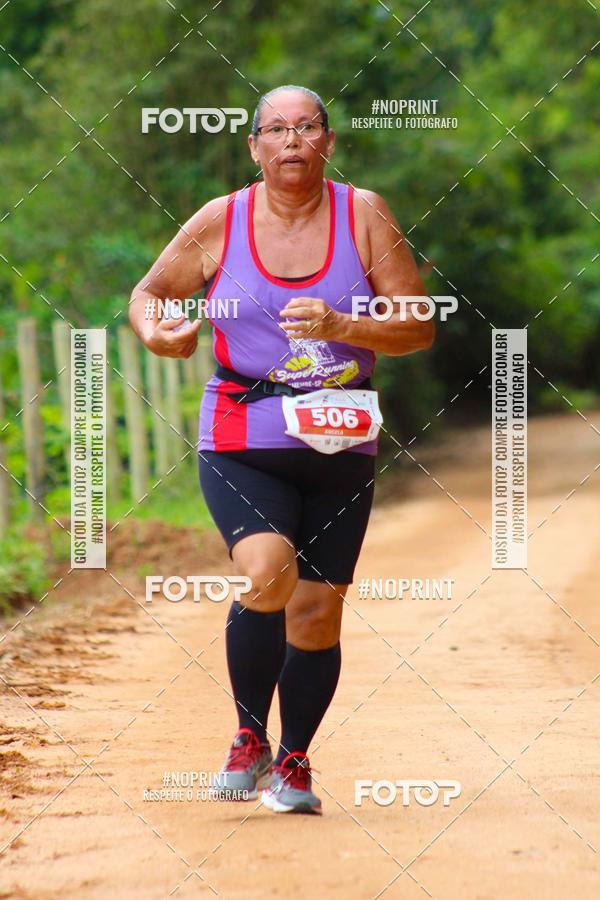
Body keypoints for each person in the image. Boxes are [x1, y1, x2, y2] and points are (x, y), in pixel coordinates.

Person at [129, 84, 434, 815]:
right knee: (268, 573)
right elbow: (150, 294)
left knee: (316, 613)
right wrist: (158, 331)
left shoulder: (362, 216)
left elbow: (418, 322)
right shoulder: (220, 221)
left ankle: (294, 760)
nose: (292, 140)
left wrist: (345, 325)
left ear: (327, 141)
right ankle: (247, 734)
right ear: (255, 147)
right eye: (277, 129)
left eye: (307, 128)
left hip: (340, 444)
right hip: (243, 434)